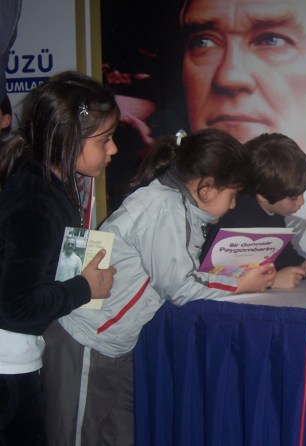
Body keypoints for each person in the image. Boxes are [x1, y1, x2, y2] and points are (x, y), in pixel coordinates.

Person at [42, 128, 277, 445]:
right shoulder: (164, 206)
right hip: (84, 340)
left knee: (120, 436)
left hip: (112, 345)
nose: (234, 205)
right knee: (76, 438)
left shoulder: (181, 210)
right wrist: (239, 284)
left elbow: (181, 275)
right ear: (207, 188)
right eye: (232, 194)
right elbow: (179, 286)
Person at [179, 0, 306, 271]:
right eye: (204, 42)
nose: (229, 77)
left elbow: (277, 249)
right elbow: (219, 272)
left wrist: (300, 263)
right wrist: (275, 278)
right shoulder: (236, 217)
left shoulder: (270, 211)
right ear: (262, 195)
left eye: (272, 40)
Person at [0, 70, 118, 445]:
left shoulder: (47, 184)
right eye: (105, 139)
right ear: (68, 139)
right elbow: (17, 307)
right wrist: (85, 287)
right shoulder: (35, 200)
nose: (113, 149)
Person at [201, 132, 306, 288]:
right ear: (264, 196)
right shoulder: (237, 220)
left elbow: (280, 252)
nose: (301, 201)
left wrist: (300, 264)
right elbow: (213, 276)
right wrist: (273, 282)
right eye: (293, 197)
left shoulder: (274, 214)